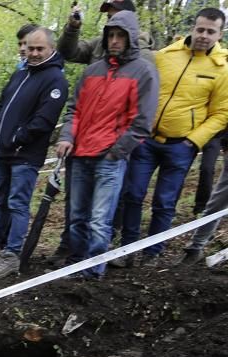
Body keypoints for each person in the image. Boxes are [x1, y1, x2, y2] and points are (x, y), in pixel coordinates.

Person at [113, 7, 228, 267]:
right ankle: (127, 251)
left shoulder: (222, 69)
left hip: (181, 146)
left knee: (164, 202)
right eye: (200, 29)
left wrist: (193, 141)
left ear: (219, 34)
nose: (204, 36)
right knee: (132, 194)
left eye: (211, 32)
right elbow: (144, 90)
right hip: (147, 140)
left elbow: (221, 114)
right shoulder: (166, 55)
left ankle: (152, 254)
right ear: (192, 28)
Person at [56, 10, 158, 279]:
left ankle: (93, 272)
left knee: (100, 221)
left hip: (109, 157)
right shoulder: (92, 70)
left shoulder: (144, 71)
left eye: (120, 36)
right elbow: (74, 110)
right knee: (77, 216)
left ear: (131, 38)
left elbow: (142, 122)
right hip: (80, 154)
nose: (114, 41)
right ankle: (76, 264)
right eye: (110, 35)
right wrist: (66, 137)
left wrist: (116, 152)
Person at [0, 27, 68, 280]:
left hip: (25, 154)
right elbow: (1, 106)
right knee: (1, 201)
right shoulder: (20, 74)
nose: (33, 53)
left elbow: (44, 120)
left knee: (17, 203)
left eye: (39, 49)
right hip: (3, 151)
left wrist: (16, 138)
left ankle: (12, 255)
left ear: (51, 48)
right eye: (30, 48)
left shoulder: (55, 80)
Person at [59, 0, 153, 65]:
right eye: (109, 17)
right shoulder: (99, 44)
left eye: (117, 17)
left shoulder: (142, 53)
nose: (111, 21)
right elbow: (68, 53)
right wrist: (72, 28)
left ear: (130, 19)